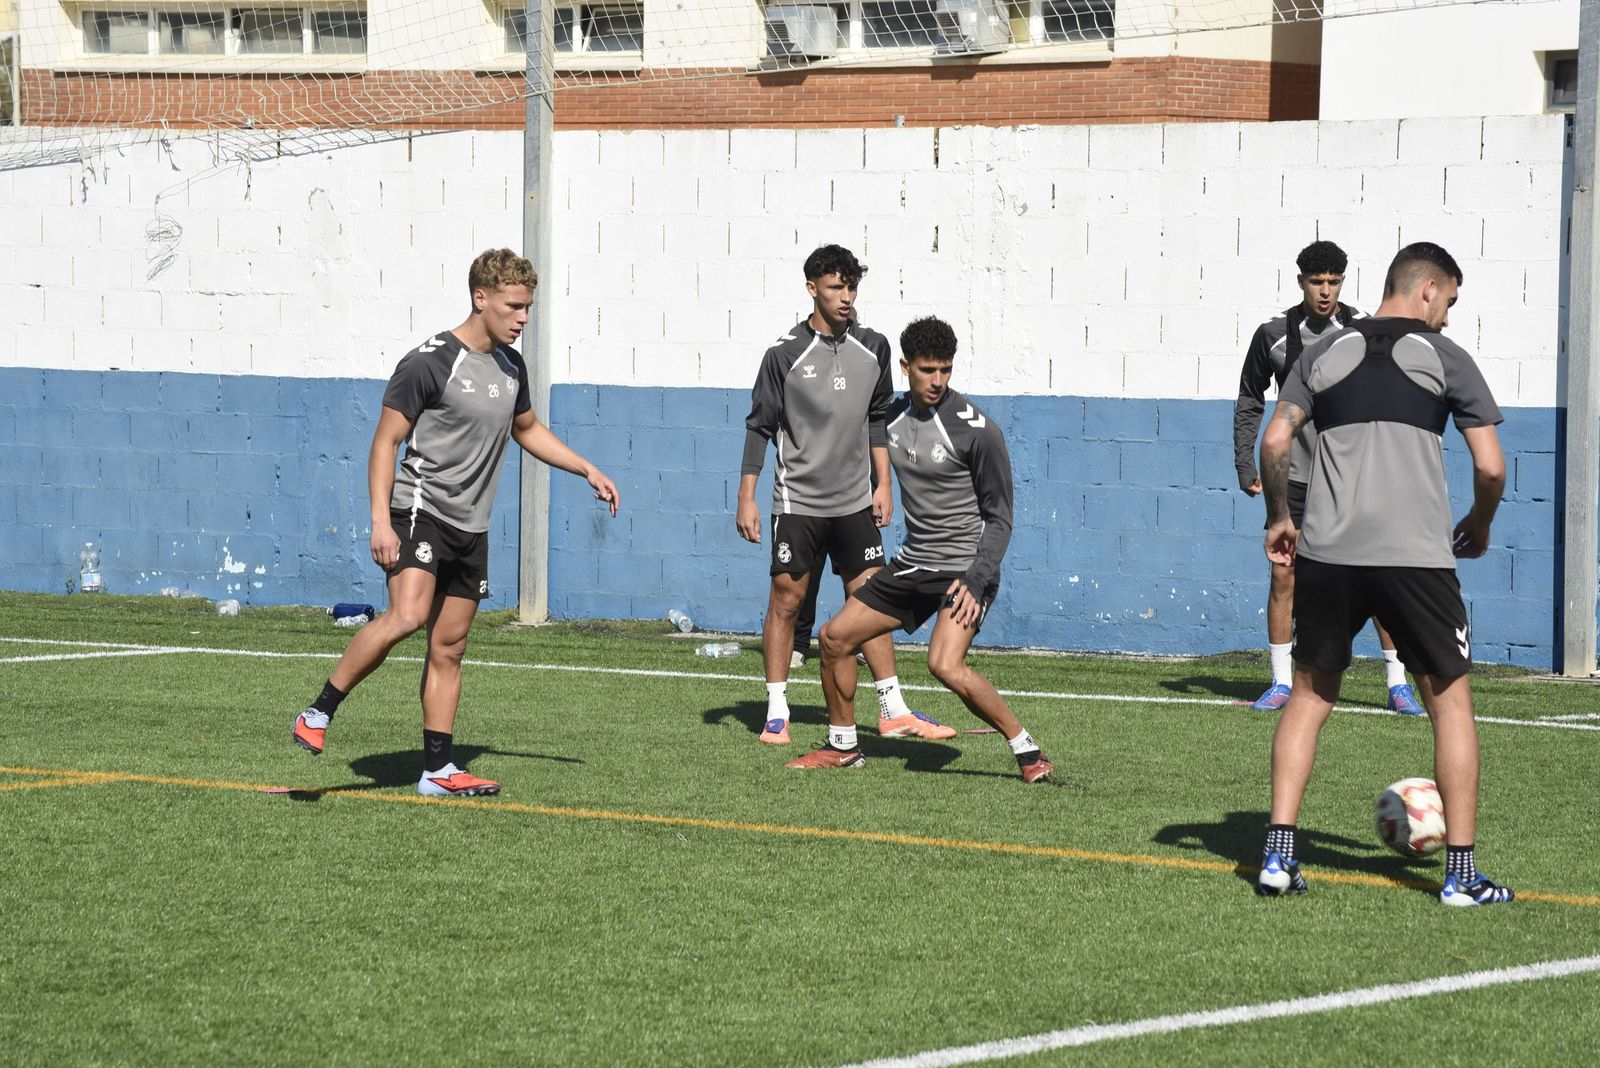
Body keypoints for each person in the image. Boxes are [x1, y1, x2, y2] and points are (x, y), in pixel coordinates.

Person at [290, 249, 620, 797]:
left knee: (451, 646)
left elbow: (528, 429)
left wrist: (584, 467)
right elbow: (385, 442)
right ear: (480, 298)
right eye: (514, 306)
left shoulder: (512, 367)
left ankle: (438, 772)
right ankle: (319, 712)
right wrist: (380, 521)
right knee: (409, 615)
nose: (523, 318)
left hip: (472, 523)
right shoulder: (431, 360)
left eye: (529, 307)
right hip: (420, 509)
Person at [1255, 242, 1512, 906]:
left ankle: (1278, 858)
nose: (1449, 317)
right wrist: (1480, 524)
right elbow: (1490, 467)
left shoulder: (1321, 354)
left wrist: (1282, 515)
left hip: (1329, 553)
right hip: (1416, 558)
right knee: (1449, 704)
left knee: (1309, 699)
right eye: (1450, 301)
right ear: (1427, 289)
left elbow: (1276, 440)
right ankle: (1459, 875)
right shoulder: (1445, 357)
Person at [786, 317, 1052, 783]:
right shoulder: (888, 418)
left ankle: (1027, 751)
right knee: (833, 639)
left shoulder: (978, 431)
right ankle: (843, 746)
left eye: (946, 370)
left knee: (943, 664)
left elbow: (1000, 517)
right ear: (906, 367)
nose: (938, 381)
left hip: (964, 571)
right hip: (913, 564)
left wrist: (976, 579)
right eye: (928, 370)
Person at [738, 245, 955, 744]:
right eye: (836, 287)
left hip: (856, 501)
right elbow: (759, 427)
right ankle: (776, 710)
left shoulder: (874, 348)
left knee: (870, 602)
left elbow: (877, 420)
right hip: (798, 504)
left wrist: (884, 484)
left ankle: (893, 707)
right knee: (787, 600)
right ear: (812, 288)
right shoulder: (783, 353)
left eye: (851, 287)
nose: (846, 297)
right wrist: (747, 496)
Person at [1234, 240, 1423, 715]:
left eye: (1334, 282)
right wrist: (1245, 461)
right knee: (1284, 574)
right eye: (1317, 282)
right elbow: (1250, 399)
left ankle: (1398, 684)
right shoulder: (1272, 335)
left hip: (1353, 476)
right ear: (1301, 282)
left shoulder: (1364, 330)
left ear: (1343, 282)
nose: (1325, 291)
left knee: (1379, 575)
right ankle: (1280, 682)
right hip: (1292, 478)